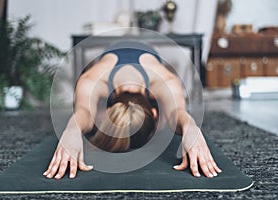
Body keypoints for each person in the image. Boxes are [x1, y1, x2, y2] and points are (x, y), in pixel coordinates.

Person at [43, 41, 222, 180]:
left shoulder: (90, 80)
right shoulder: (166, 80)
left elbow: (84, 113)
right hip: (122, 58)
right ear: (154, 112)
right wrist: (72, 131)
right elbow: (176, 113)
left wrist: (191, 128)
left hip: (132, 55)